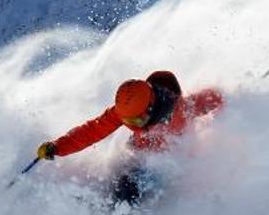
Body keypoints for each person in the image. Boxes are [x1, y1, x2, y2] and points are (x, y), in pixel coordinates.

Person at [33, 69, 224, 205]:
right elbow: (93, 130)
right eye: (126, 119)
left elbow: (215, 98)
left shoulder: (182, 109)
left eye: (136, 120)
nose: (131, 124)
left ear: (150, 109)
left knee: (136, 185)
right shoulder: (129, 112)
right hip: (138, 155)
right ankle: (105, 208)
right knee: (118, 181)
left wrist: (227, 118)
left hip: (169, 163)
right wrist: (57, 147)